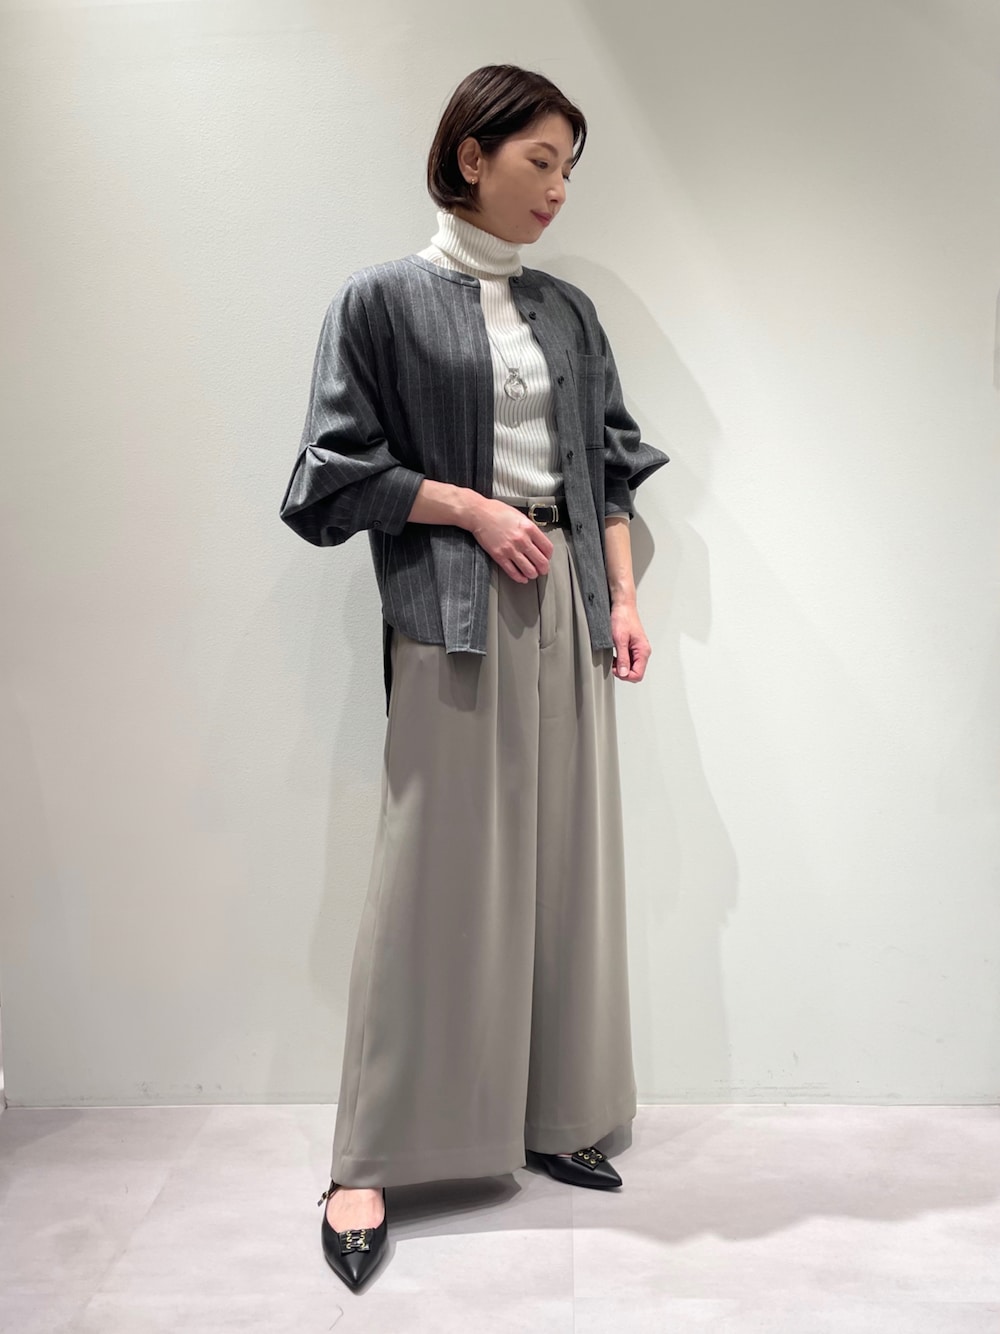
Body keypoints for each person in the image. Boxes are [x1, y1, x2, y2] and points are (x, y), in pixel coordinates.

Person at [279, 63, 669, 1291]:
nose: (557, 190)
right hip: (453, 610)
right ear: (469, 157)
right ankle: (367, 1159)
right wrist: (470, 508)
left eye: (569, 169)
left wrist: (622, 596)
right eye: (539, 161)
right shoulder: (380, 301)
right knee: (432, 878)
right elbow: (332, 473)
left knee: (566, 866)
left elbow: (609, 463)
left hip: (568, 605)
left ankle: (558, 1115)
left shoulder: (567, 312)